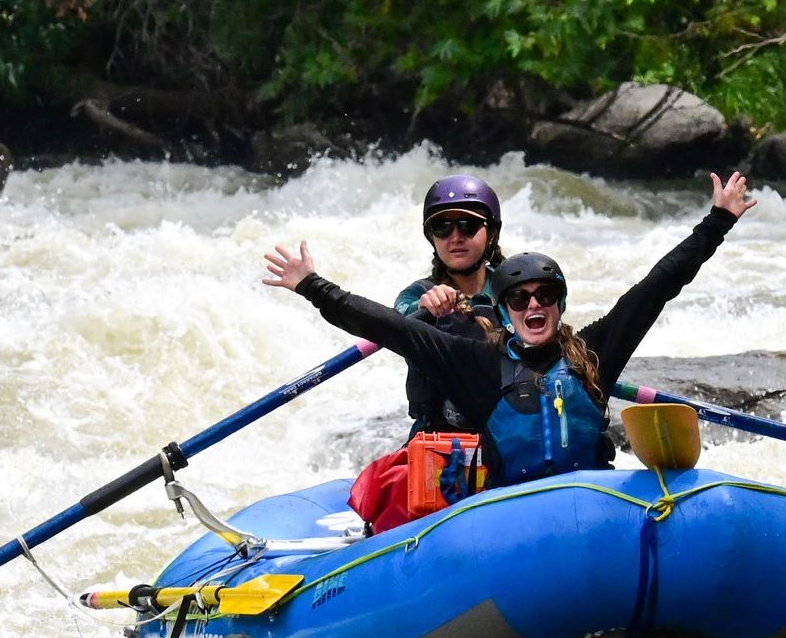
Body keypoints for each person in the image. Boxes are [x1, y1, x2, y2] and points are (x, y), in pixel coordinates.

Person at [263, 172, 757, 490]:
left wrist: (717, 221)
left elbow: (656, 287)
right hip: (503, 513)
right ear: (506, 307)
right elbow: (387, 326)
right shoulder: (476, 362)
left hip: (591, 502)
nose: (533, 305)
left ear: (561, 305)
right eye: (519, 300)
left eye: (545, 297)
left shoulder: (594, 352)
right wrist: (312, 285)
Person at [395, 174, 503, 435]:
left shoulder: (520, 292)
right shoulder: (415, 296)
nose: (455, 237)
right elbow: (397, 327)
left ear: (491, 233)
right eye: (442, 227)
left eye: (467, 225)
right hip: (438, 438)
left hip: (510, 433)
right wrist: (424, 311)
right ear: (432, 237)